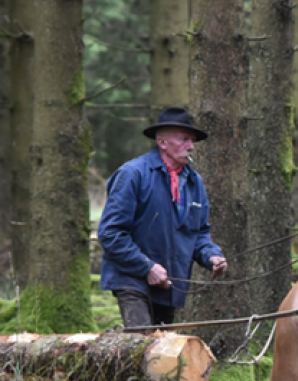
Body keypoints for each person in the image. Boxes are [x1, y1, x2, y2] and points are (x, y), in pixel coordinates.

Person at [98, 107, 228, 328]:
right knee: (142, 345)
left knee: (161, 354)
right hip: (132, 279)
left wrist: (212, 256)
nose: (191, 146)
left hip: (170, 284)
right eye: (184, 139)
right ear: (162, 142)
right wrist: (146, 267)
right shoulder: (132, 174)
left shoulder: (194, 182)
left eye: (192, 141)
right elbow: (111, 233)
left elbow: (198, 234)